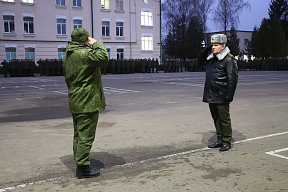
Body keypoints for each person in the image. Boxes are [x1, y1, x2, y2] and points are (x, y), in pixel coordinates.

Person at [63, 28, 109, 178]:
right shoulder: (85, 54)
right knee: (86, 135)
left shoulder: (68, 55)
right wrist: (97, 43)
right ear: (85, 39)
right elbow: (103, 57)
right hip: (87, 100)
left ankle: (80, 162)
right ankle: (83, 168)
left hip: (75, 98)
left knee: (78, 133)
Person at [198, 34, 238, 152]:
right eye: (212, 45)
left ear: (223, 46)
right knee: (216, 118)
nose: (213, 47)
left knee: (224, 119)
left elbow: (232, 80)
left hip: (221, 95)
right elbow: (199, 62)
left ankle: (226, 141)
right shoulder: (211, 59)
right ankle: (219, 140)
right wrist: (205, 49)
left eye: (216, 45)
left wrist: (228, 96)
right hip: (211, 94)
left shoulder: (229, 60)